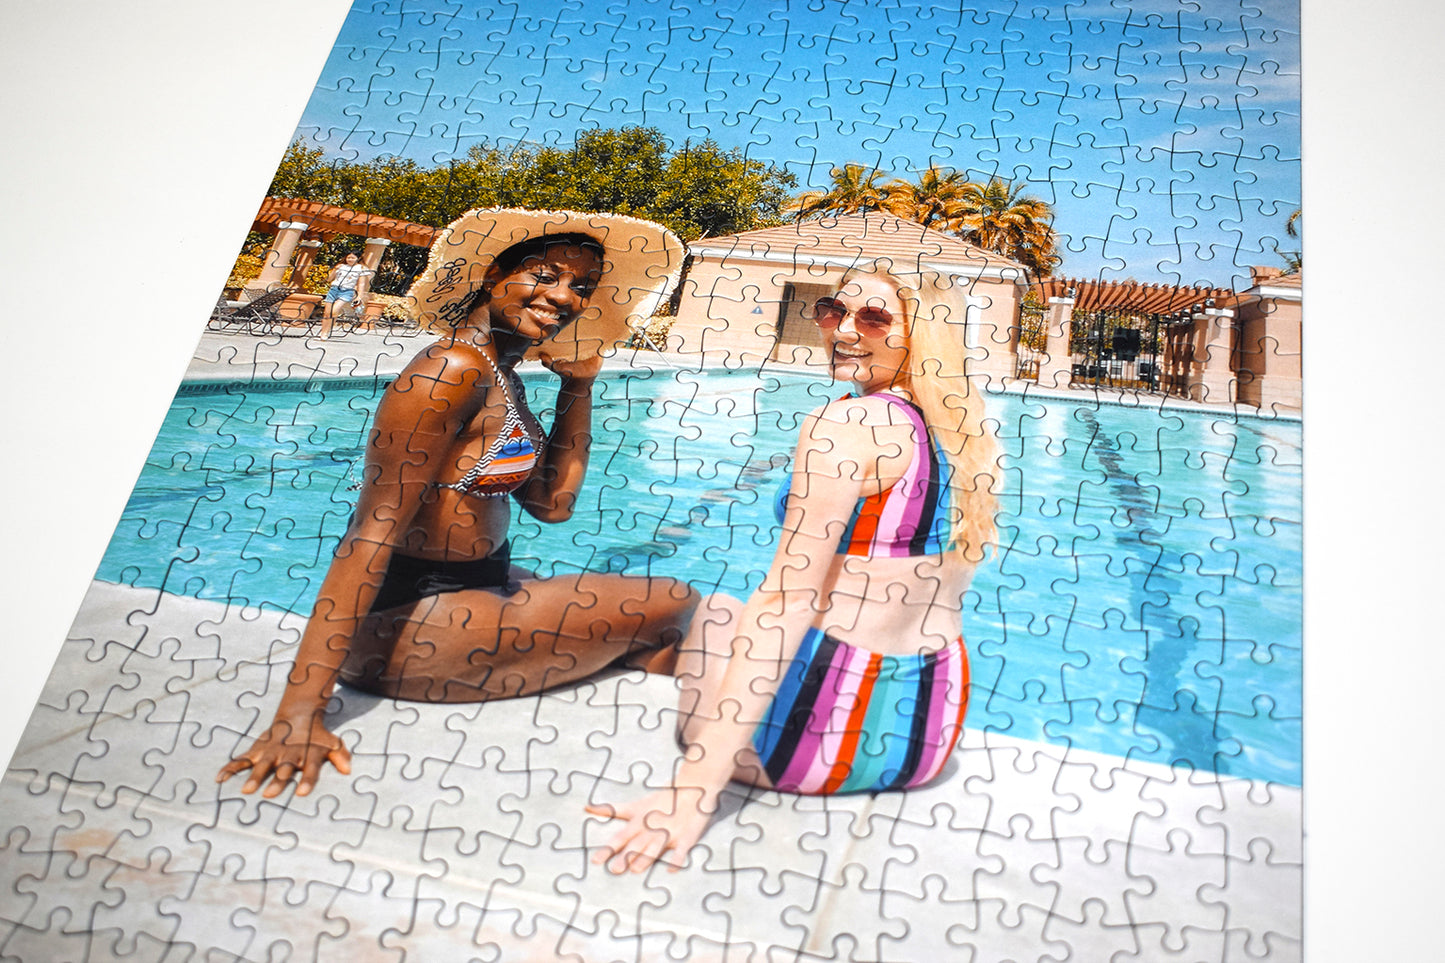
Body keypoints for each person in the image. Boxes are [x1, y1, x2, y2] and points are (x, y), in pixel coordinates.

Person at [218, 209, 696, 798]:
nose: (563, 297)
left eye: (582, 287)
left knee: (614, 614)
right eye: (545, 275)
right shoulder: (451, 369)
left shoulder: (501, 373)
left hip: (463, 595)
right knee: (676, 600)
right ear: (494, 273)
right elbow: (370, 534)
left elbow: (552, 504)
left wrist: (579, 385)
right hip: (415, 625)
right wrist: (298, 714)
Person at [587, 262, 1001, 873]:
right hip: (926, 736)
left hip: (812, 752)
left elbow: (787, 603)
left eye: (874, 318)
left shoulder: (849, 424)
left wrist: (692, 792)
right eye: (834, 311)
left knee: (718, 611)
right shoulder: (964, 432)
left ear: (923, 335)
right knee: (724, 614)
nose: (843, 330)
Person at [320, 251, 374, 337]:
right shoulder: (341, 266)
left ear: (358, 258)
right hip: (334, 289)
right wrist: (335, 269)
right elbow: (329, 279)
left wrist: (359, 296)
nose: (350, 260)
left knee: (334, 311)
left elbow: (361, 284)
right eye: (348, 257)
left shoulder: (361, 268)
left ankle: (327, 331)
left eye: (353, 258)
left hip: (346, 291)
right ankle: (323, 331)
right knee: (327, 313)